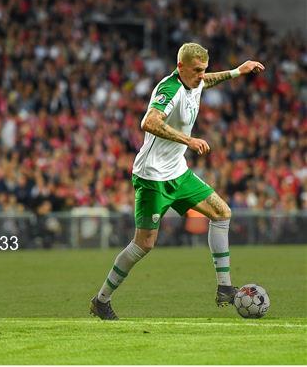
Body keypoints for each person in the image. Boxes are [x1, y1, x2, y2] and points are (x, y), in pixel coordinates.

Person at [90, 43, 265, 320]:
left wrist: (236, 71)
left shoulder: (195, 82)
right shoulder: (168, 89)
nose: (201, 75)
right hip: (152, 177)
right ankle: (101, 300)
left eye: (203, 70)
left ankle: (225, 287)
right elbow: (148, 122)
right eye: (196, 70)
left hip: (178, 172)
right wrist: (189, 140)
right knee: (144, 244)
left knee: (222, 212)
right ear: (180, 67)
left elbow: (206, 81)